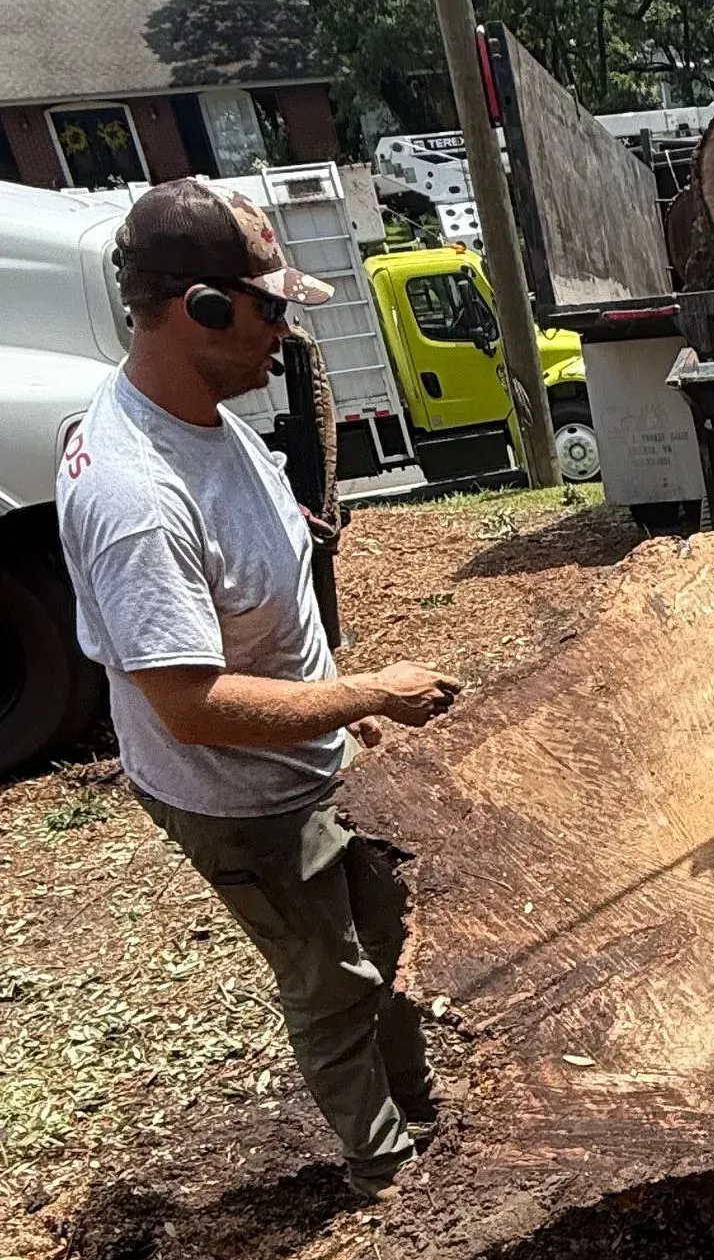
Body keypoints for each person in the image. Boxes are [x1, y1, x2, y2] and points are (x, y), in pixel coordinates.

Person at [57, 178, 462, 1202]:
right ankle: (390, 1172)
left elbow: (269, 593)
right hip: (241, 797)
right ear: (201, 308)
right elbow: (191, 705)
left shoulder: (211, 417)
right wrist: (367, 689)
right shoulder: (136, 494)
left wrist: (337, 699)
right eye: (269, 307)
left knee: (385, 941)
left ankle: (425, 1119)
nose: (283, 332)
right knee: (330, 979)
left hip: (308, 753)